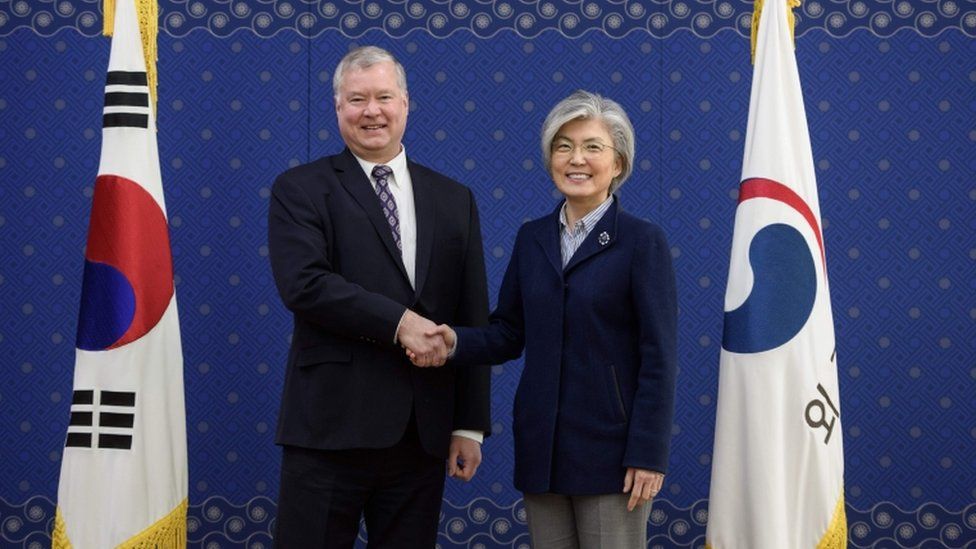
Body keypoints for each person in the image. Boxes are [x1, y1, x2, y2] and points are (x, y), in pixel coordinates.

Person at [416, 90, 678, 548]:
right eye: (563, 146)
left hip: (614, 456)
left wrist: (649, 454)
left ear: (618, 164)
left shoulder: (642, 242)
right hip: (543, 449)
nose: (576, 158)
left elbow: (659, 356)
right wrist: (453, 341)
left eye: (592, 147)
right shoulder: (531, 238)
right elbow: (509, 332)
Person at [267, 45, 491, 548]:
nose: (372, 111)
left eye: (384, 97)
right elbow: (305, 284)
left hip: (421, 435)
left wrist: (471, 425)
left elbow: (471, 314)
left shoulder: (454, 199)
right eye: (357, 99)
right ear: (338, 108)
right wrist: (401, 323)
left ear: (406, 104)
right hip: (328, 431)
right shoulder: (300, 189)